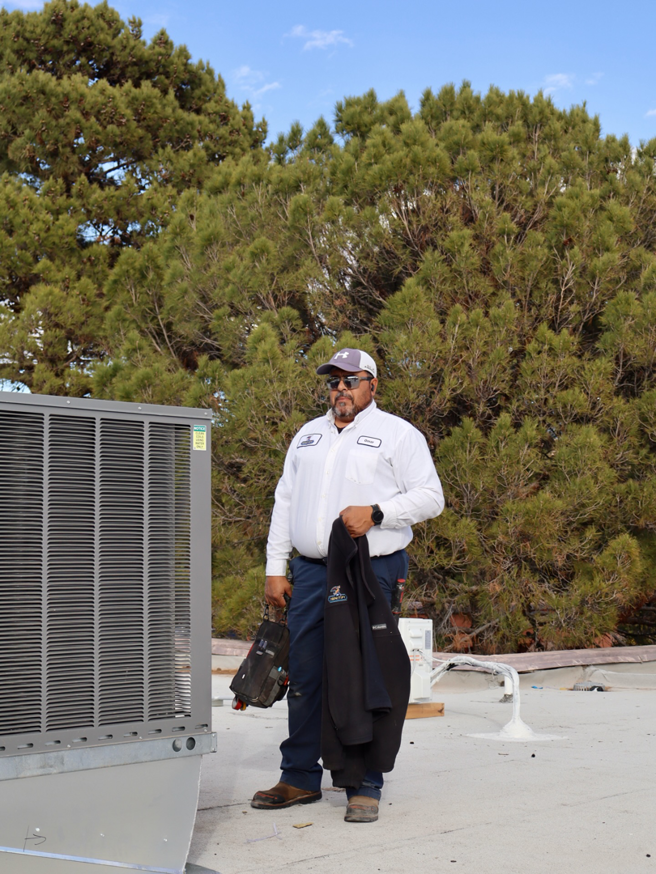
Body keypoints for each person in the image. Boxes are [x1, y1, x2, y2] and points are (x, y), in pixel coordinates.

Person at [251, 347, 444, 822]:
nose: (341, 389)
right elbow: (285, 500)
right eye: (333, 381)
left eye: (350, 380)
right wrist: (277, 566)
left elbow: (431, 497)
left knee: (364, 675)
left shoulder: (398, 434)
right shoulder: (308, 435)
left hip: (369, 569)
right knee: (305, 673)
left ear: (372, 385)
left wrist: (378, 514)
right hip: (312, 570)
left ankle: (365, 783)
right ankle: (298, 777)